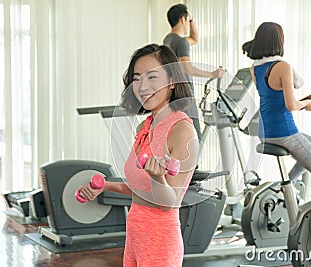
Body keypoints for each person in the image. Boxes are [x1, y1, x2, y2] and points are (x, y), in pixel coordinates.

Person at [78, 44, 199, 267]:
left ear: (172, 81)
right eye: (137, 79)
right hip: (135, 234)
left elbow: (169, 203)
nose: (143, 86)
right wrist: (105, 186)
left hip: (160, 241)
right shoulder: (146, 126)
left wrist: (157, 177)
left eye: (152, 77)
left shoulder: (181, 130)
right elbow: (139, 187)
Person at [242, 22, 311, 248]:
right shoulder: (283, 66)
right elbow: (291, 105)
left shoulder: (254, 68)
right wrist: (308, 103)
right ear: (279, 41)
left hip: (265, 131)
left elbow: (272, 97)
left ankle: (287, 185)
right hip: (283, 131)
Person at [163, 3, 224, 141]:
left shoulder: (168, 40)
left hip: (173, 95)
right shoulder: (181, 42)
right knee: (195, 138)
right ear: (183, 19)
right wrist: (213, 74)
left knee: (180, 137)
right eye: (187, 20)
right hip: (184, 95)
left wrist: (190, 19)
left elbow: (195, 39)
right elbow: (187, 68)